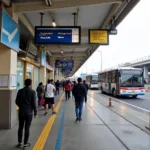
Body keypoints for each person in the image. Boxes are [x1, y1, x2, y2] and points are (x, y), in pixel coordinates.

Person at [16, 79, 37, 149]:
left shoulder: (20, 91)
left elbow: (16, 101)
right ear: (31, 83)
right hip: (29, 112)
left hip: (21, 111)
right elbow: (34, 103)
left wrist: (21, 106)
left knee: (20, 127)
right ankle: (25, 144)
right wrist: (35, 112)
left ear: (24, 83)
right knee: (27, 128)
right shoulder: (33, 92)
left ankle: (19, 143)